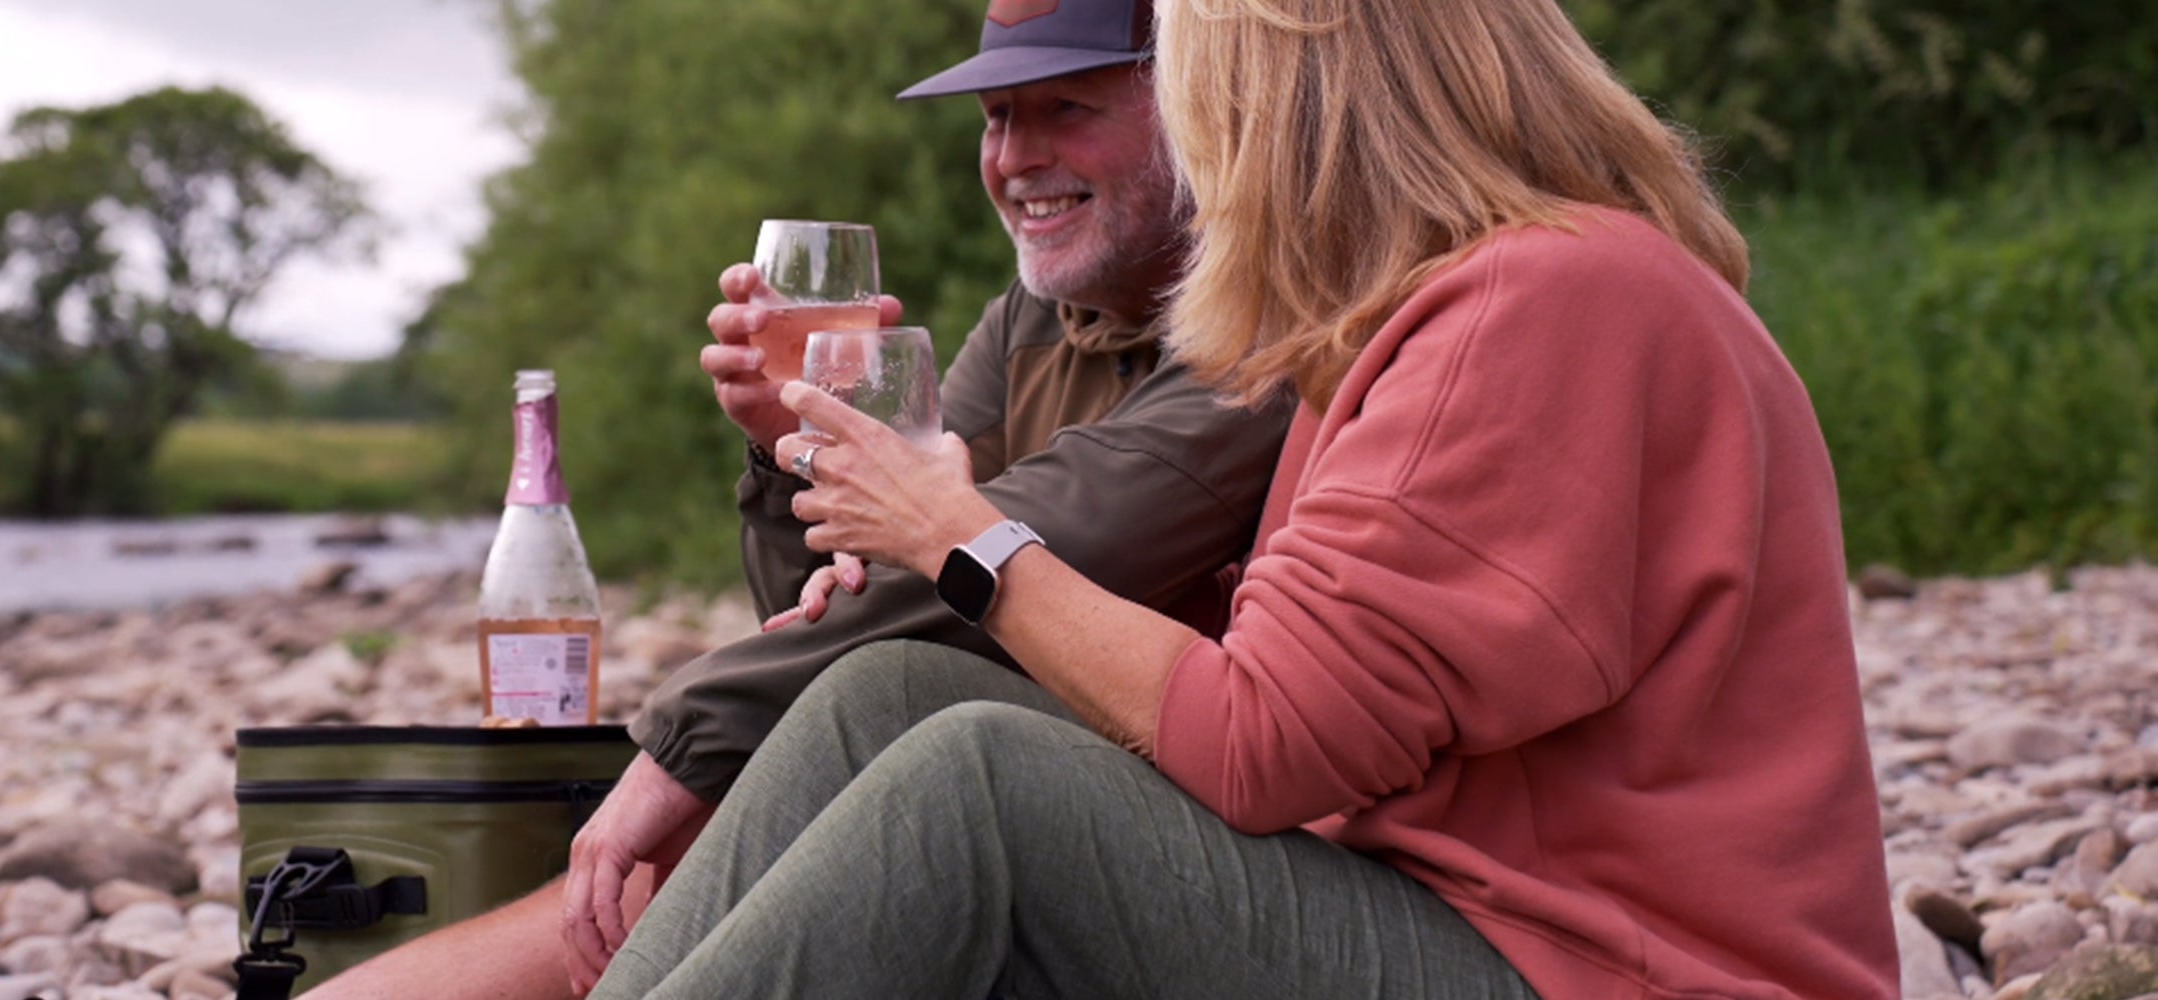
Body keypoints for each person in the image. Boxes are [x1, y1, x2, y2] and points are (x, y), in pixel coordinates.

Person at [590, 0, 1902, 997]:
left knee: (980, 784)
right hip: (1466, 918)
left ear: (1301, 100)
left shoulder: (1542, 304)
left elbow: (1263, 749)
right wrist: (834, 491)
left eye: (1206, 94)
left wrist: (959, 537)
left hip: (1607, 973)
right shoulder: (1437, 310)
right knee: (889, 698)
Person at [302, 2, 1294, 997]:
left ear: (1196, 105)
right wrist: (788, 454)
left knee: (716, 811)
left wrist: (685, 736)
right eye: (996, 116)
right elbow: (855, 593)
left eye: (1065, 107)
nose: (1014, 156)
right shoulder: (1035, 315)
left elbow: (1025, 545)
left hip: (1170, 861)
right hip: (982, 790)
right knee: (708, 828)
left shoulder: (1277, 325)